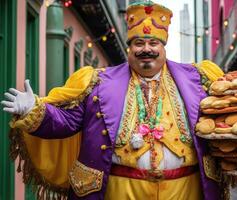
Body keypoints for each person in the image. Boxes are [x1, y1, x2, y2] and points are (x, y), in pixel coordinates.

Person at [1, 1, 224, 200]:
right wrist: (35, 110)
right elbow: (67, 120)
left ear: (163, 47)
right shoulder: (99, 82)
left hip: (185, 189)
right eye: (138, 43)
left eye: (153, 43)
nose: (146, 49)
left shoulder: (197, 80)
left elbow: (224, 117)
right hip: (119, 190)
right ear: (129, 48)